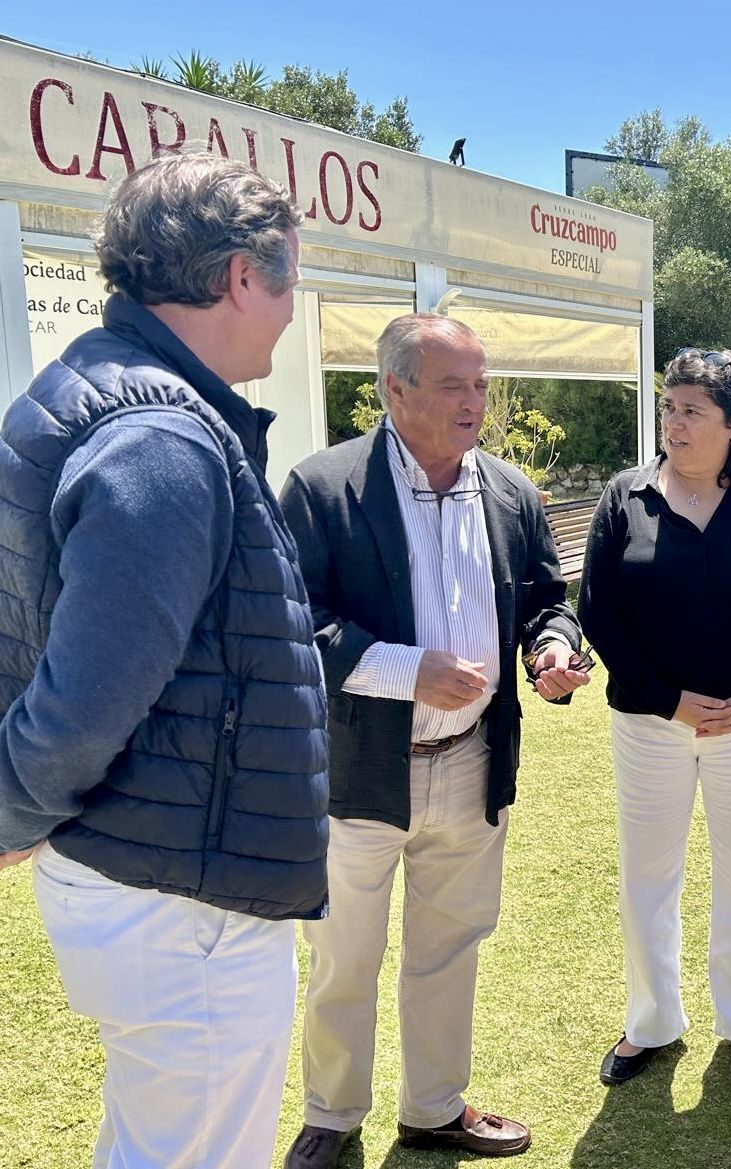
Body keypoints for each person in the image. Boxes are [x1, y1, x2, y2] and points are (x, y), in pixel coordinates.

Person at [0, 153, 328, 1168]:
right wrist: (12, 804)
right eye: (289, 279)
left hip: (154, 866)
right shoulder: (162, 436)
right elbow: (90, 690)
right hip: (183, 893)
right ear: (241, 276)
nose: (289, 308)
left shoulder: (104, 394)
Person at [278, 314, 589, 1167]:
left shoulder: (510, 490)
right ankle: (332, 1117)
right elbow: (288, 623)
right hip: (359, 773)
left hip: (470, 765)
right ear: (395, 389)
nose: (474, 402)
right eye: (454, 384)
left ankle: (433, 1108)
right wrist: (403, 669)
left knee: (448, 950)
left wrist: (553, 648)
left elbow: (545, 600)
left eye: (481, 383)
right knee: (343, 959)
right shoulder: (323, 486)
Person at [579, 347, 731, 1093]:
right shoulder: (626, 495)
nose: (672, 422)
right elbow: (599, 613)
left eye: (691, 410)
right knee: (648, 876)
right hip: (651, 725)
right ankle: (651, 1021)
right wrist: (667, 698)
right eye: (668, 406)